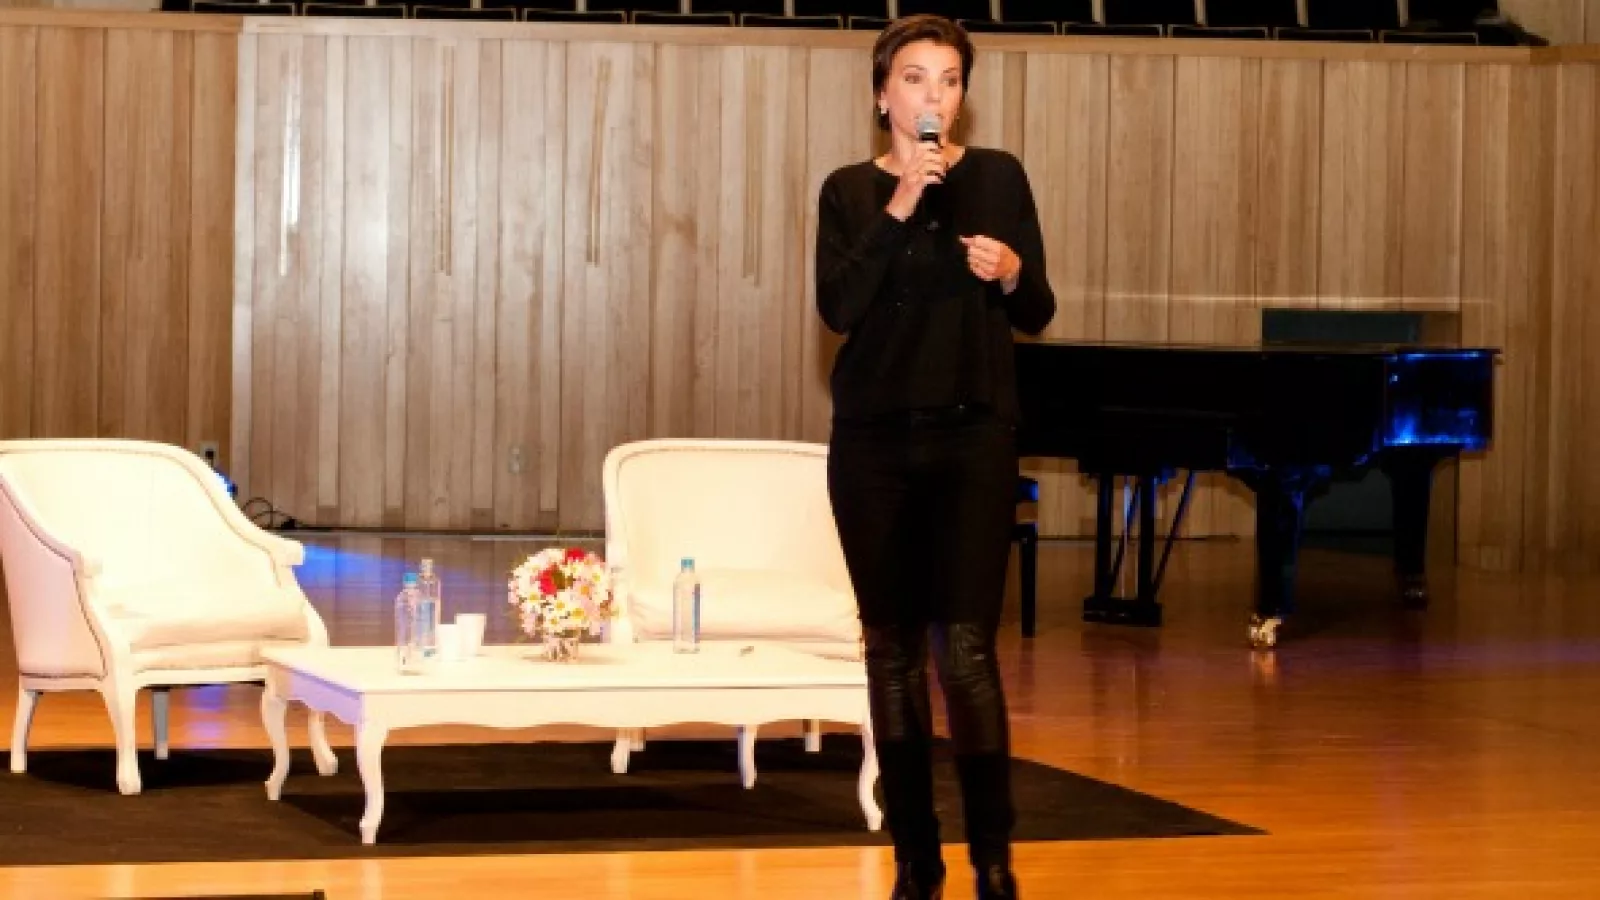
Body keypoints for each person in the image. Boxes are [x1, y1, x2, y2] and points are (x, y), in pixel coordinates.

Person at [813, 14, 1055, 900]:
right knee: (891, 650)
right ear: (884, 95)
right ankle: (917, 861)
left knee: (967, 652)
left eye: (949, 80)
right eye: (915, 78)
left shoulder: (998, 176)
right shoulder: (849, 192)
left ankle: (994, 861)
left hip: (973, 437)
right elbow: (839, 307)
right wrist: (901, 205)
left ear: (962, 96)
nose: (933, 96)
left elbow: (1037, 309)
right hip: (874, 445)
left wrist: (1013, 271)